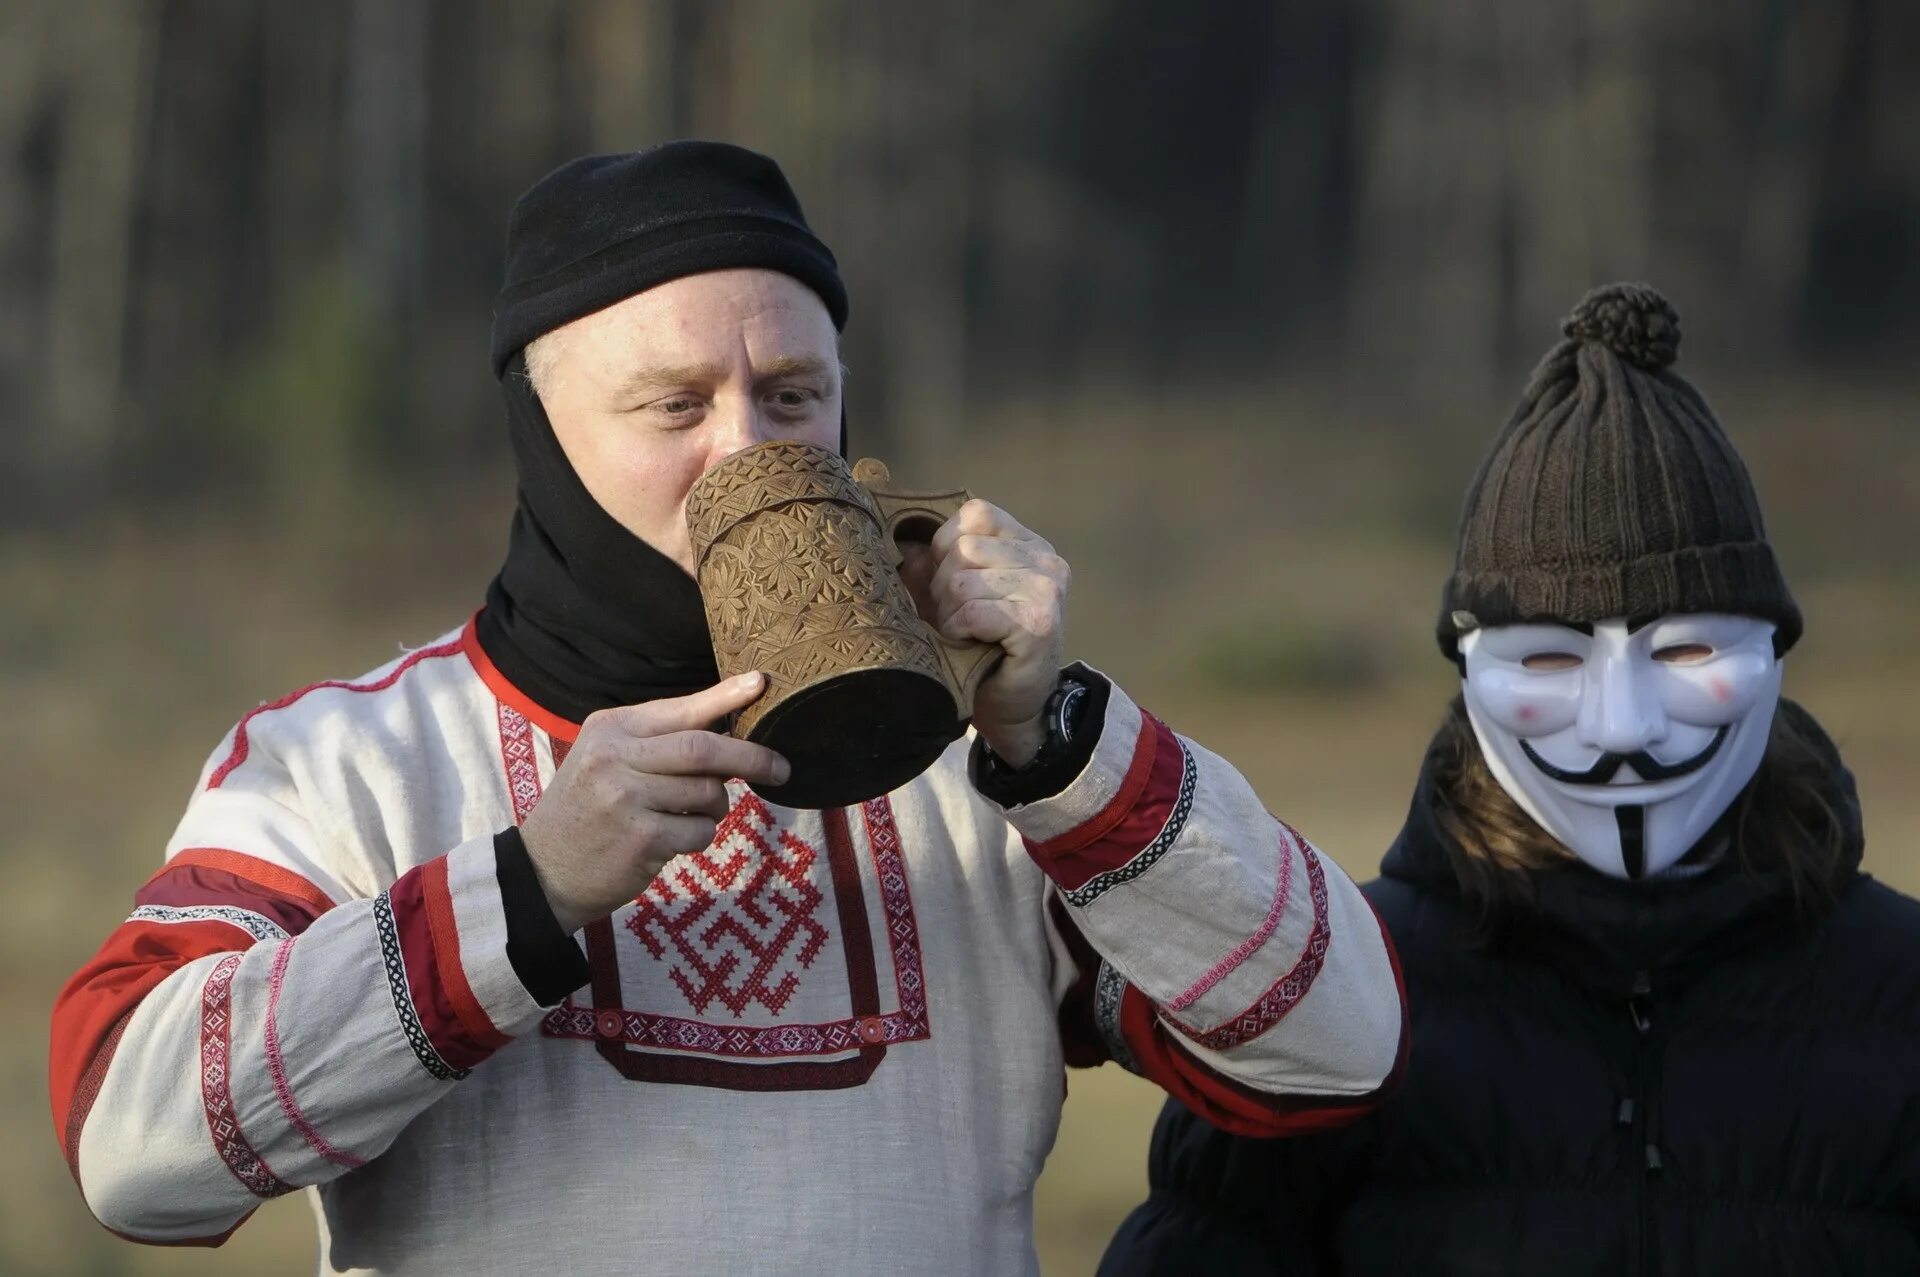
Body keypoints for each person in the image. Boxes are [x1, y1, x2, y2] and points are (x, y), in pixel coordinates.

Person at [48, 141, 1405, 1275]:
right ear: (545, 435)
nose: (748, 448)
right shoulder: (355, 759)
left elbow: (1334, 1050)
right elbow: (134, 1150)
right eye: (673, 403)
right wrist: (527, 890)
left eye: (792, 395)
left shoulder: (991, 771)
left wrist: (1058, 739)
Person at [1098, 281, 1920, 1276]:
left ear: (1774, 647)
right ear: (1468, 662)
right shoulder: (1329, 1004)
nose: (1623, 726)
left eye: (1688, 650)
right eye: (1549, 660)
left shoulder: (1901, 998)